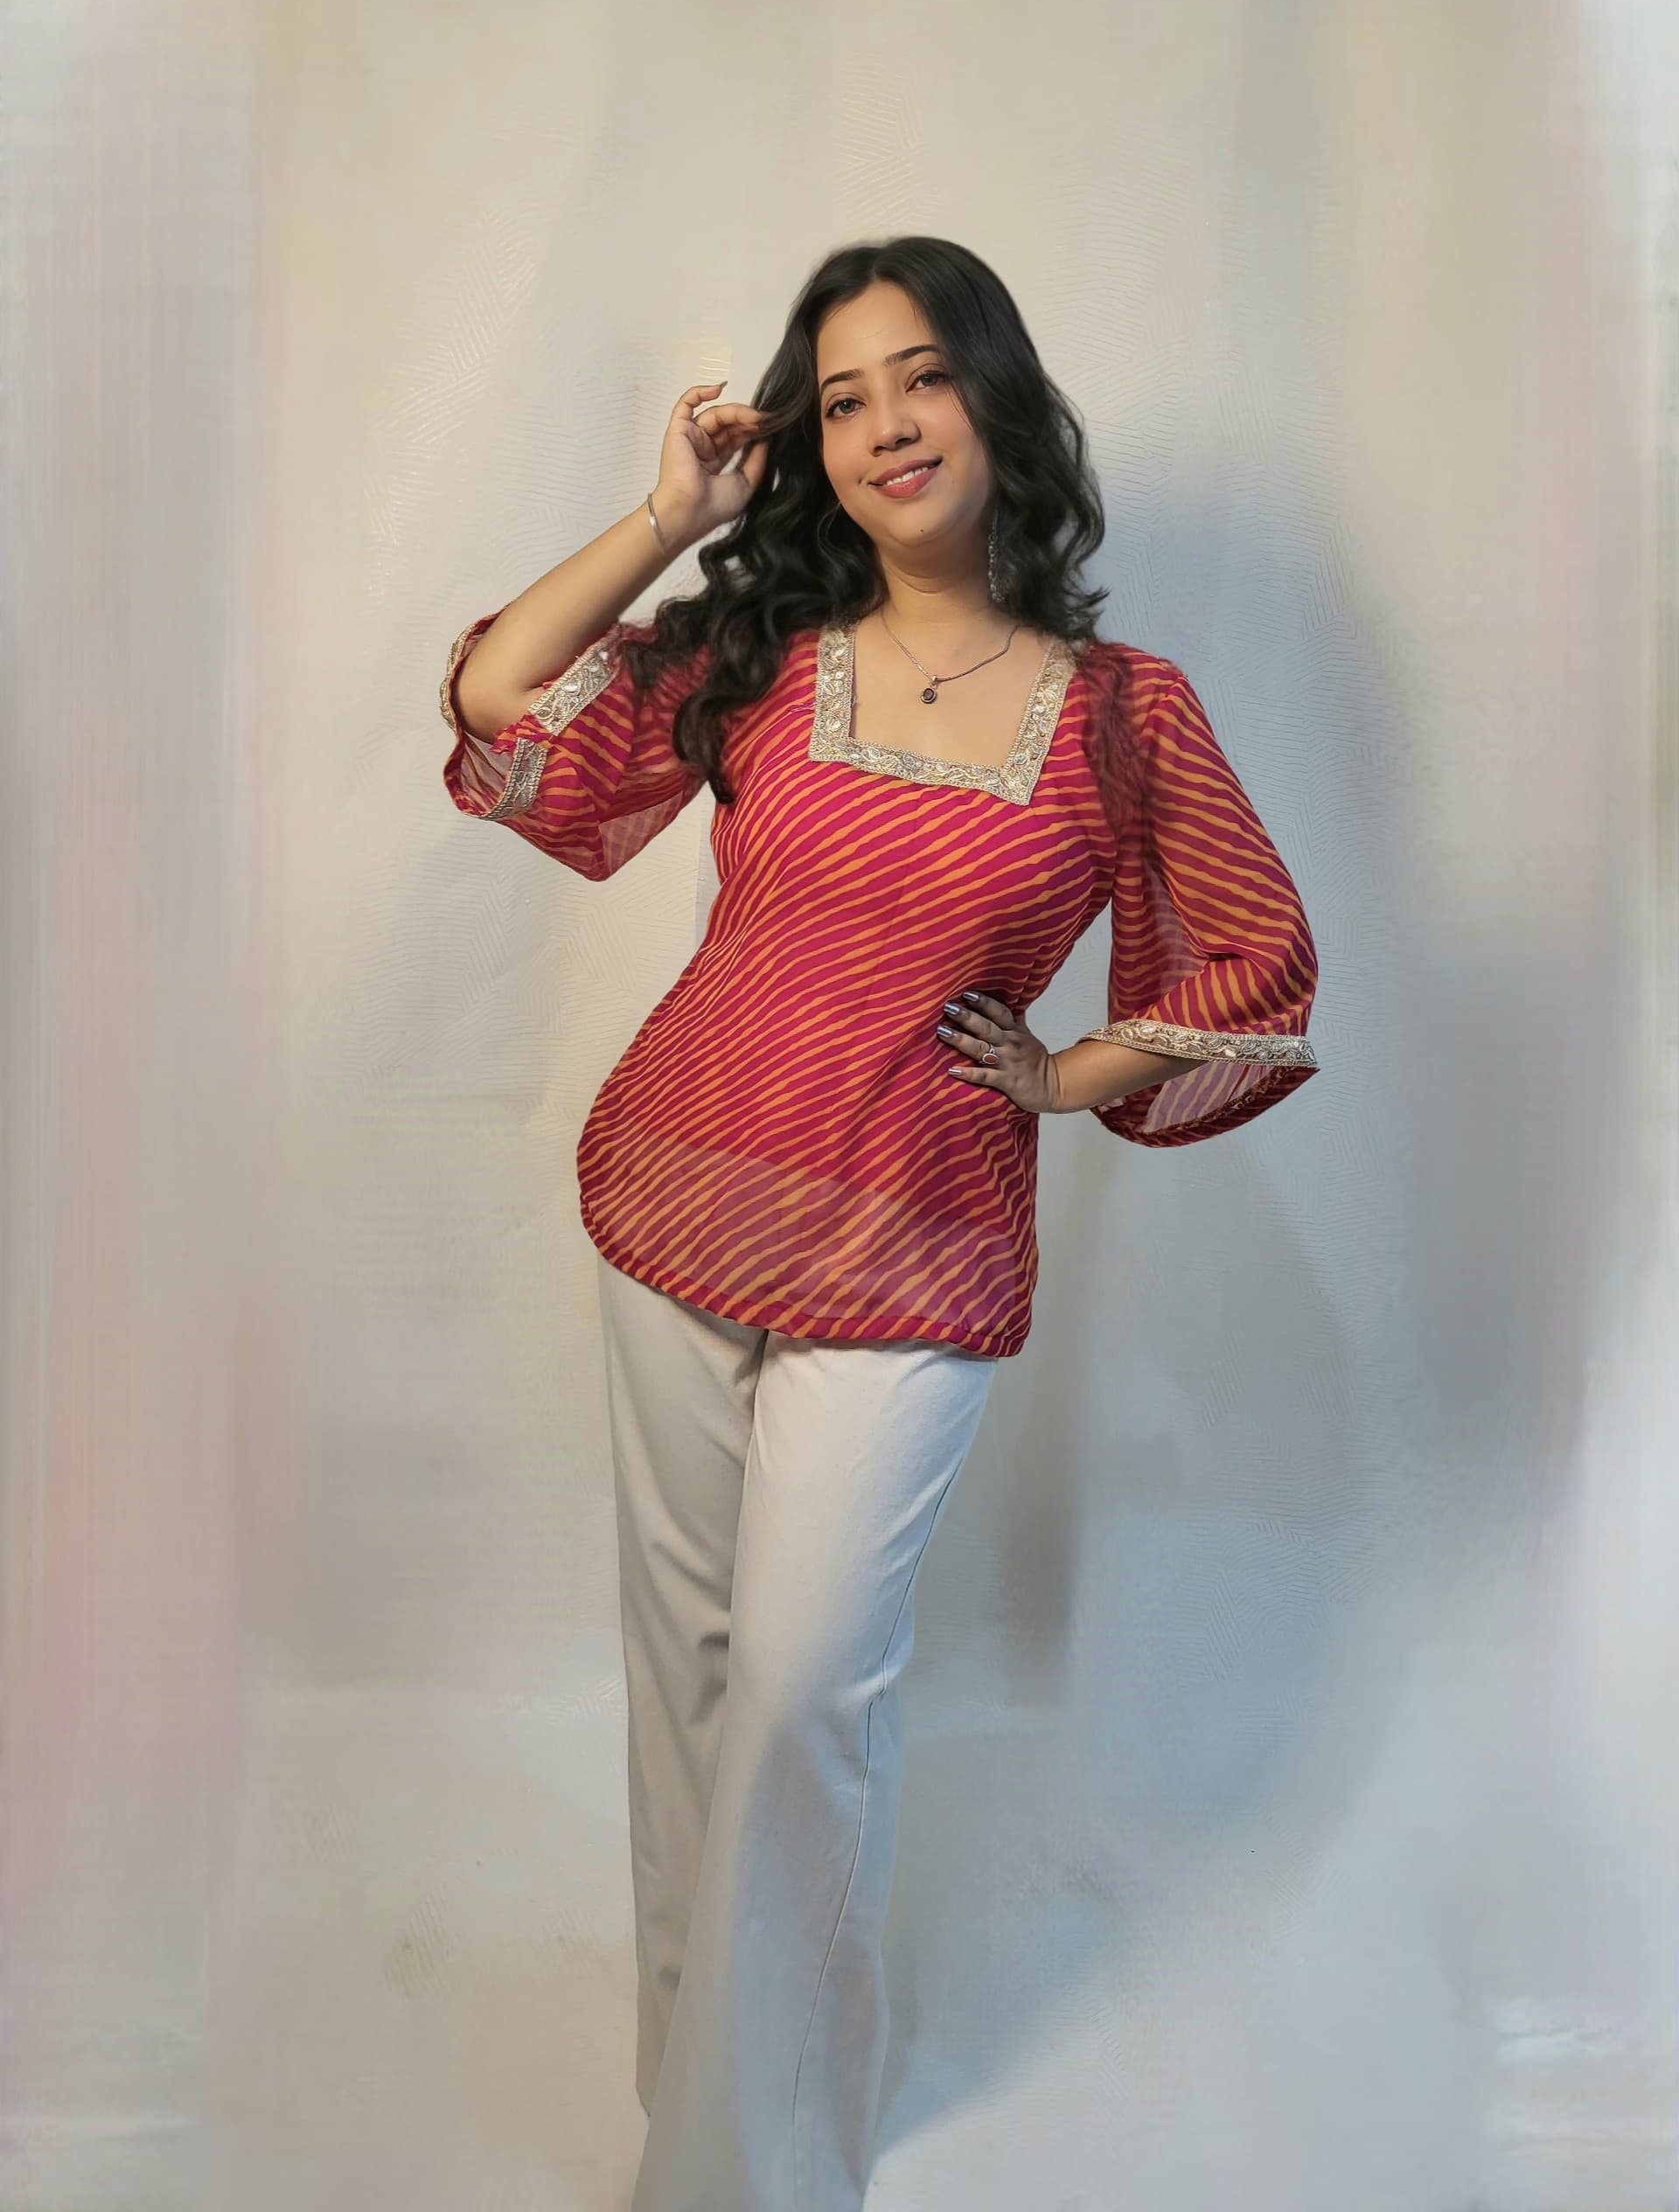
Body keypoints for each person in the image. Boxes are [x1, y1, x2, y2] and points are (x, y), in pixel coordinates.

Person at [439, 235, 1320, 2212]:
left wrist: (1069, 1075)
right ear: (810, 447)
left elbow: (1258, 962)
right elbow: (501, 702)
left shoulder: (1124, 713)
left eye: (920, 376)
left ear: (996, 397)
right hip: (678, 1185)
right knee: (687, 1674)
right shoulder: (758, 652)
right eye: (841, 398)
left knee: (806, 1682)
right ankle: (694, 2087)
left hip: (917, 1241)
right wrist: (672, 519)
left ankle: (754, 2173)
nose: (886, 424)